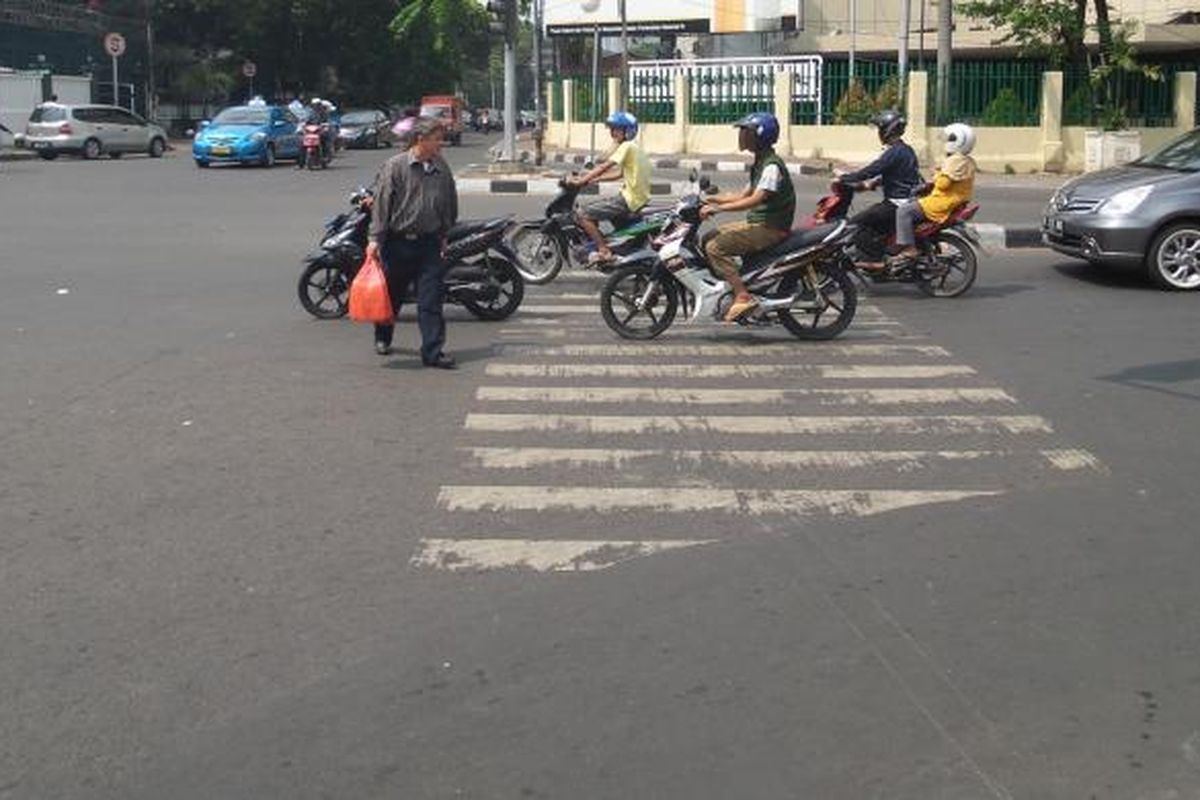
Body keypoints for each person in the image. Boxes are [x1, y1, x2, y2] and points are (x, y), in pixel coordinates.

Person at [367, 116, 459, 369]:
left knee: (431, 301)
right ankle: (383, 337)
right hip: (398, 245)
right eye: (436, 138)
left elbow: (450, 200)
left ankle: (433, 352)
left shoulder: (441, 166)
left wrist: (444, 234)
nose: (441, 143)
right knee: (392, 297)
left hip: (429, 244)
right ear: (421, 139)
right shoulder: (395, 166)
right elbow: (382, 205)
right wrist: (375, 239)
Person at [699, 111, 796, 322]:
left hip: (770, 227)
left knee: (714, 247)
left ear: (760, 135)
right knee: (708, 237)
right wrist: (713, 199)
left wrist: (720, 210)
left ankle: (742, 295)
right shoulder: (761, 162)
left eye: (746, 132)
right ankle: (736, 282)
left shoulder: (771, 166)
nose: (742, 136)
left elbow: (755, 200)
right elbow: (743, 194)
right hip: (759, 223)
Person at [834, 109, 922, 268]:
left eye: (880, 129)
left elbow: (872, 170)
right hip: (907, 201)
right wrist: (871, 184)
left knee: (856, 223)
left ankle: (875, 260)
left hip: (897, 203)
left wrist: (844, 178)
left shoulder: (894, 152)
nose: (879, 133)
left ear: (887, 130)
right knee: (873, 219)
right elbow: (899, 174)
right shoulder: (905, 150)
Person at [565, 110, 650, 264]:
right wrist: (592, 180)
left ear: (628, 131)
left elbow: (605, 166)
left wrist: (582, 179)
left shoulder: (627, 147)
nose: (612, 132)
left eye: (617, 129)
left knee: (582, 214)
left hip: (628, 200)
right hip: (637, 198)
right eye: (611, 129)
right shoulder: (635, 148)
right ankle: (613, 247)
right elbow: (619, 174)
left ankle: (603, 250)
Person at [892, 122, 978, 265]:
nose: (945, 143)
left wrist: (937, 174)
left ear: (957, 141)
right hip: (954, 200)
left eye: (948, 140)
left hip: (942, 202)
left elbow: (943, 184)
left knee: (903, 211)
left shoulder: (955, 161)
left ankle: (910, 249)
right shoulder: (966, 160)